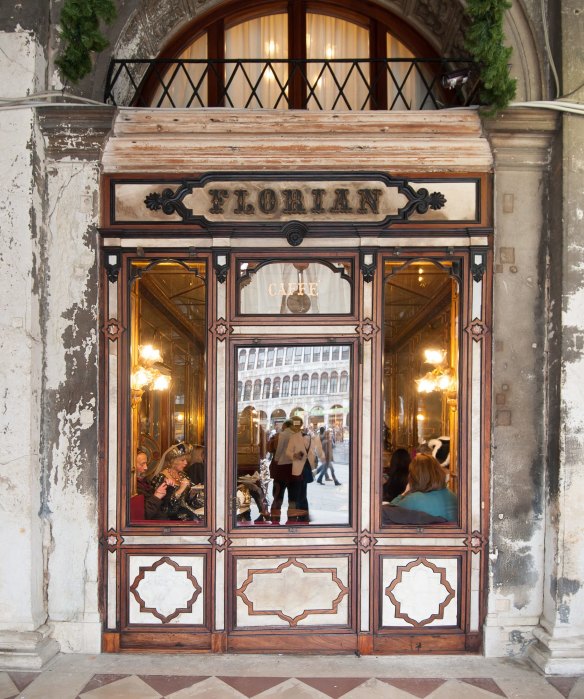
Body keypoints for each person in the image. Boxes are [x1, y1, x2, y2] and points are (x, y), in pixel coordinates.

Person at [390, 453, 457, 522]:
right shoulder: (453, 496)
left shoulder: (414, 499)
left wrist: (404, 493)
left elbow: (388, 513)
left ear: (415, 476)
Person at [146, 442, 201, 521]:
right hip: (170, 519)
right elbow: (166, 508)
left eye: (187, 460)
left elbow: (187, 500)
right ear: (173, 461)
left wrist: (193, 492)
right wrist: (181, 489)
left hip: (186, 513)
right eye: (182, 460)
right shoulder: (161, 478)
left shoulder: (183, 475)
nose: (186, 463)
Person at [286, 418, 326, 523]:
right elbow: (288, 453)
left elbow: (318, 450)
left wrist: (322, 458)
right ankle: (303, 516)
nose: (296, 426)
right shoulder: (293, 437)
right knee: (299, 493)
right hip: (297, 468)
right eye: (295, 425)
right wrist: (295, 455)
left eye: (298, 424)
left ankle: (303, 516)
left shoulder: (311, 437)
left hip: (306, 468)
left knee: (302, 492)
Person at [267, 420, 294, 524]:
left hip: (279, 472)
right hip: (293, 472)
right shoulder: (298, 437)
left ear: (284, 426)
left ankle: (275, 520)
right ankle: (291, 521)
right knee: (293, 499)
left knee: (277, 497)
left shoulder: (277, 436)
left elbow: (269, 448)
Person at [134, 449, 169, 519]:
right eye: (142, 464)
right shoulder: (131, 487)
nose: (146, 467)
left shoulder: (144, 480)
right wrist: (156, 496)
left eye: (146, 463)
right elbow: (143, 516)